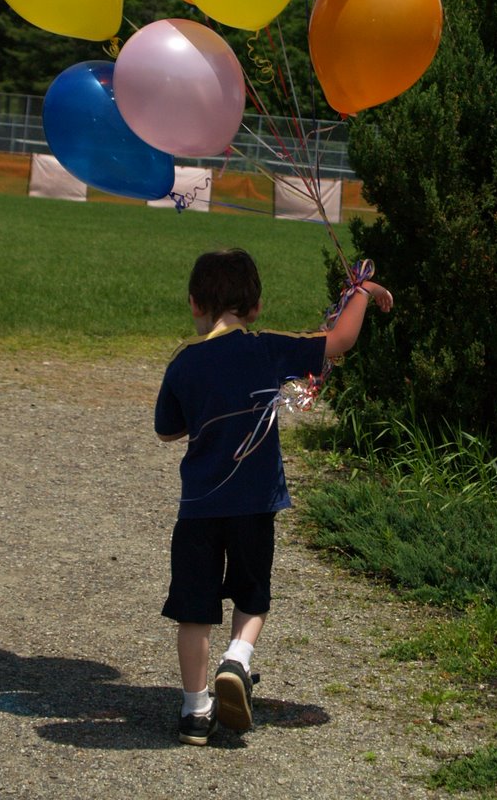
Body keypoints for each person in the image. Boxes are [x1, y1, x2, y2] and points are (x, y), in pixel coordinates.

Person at [155, 247, 393, 745]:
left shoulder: (183, 363)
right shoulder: (269, 348)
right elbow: (340, 340)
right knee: (252, 593)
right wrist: (363, 291)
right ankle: (237, 659)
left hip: (199, 509)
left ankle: (194, 711)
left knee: (194, 611)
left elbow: (167, 430)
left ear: (194, 303)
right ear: (257, 306)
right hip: (256, 505)